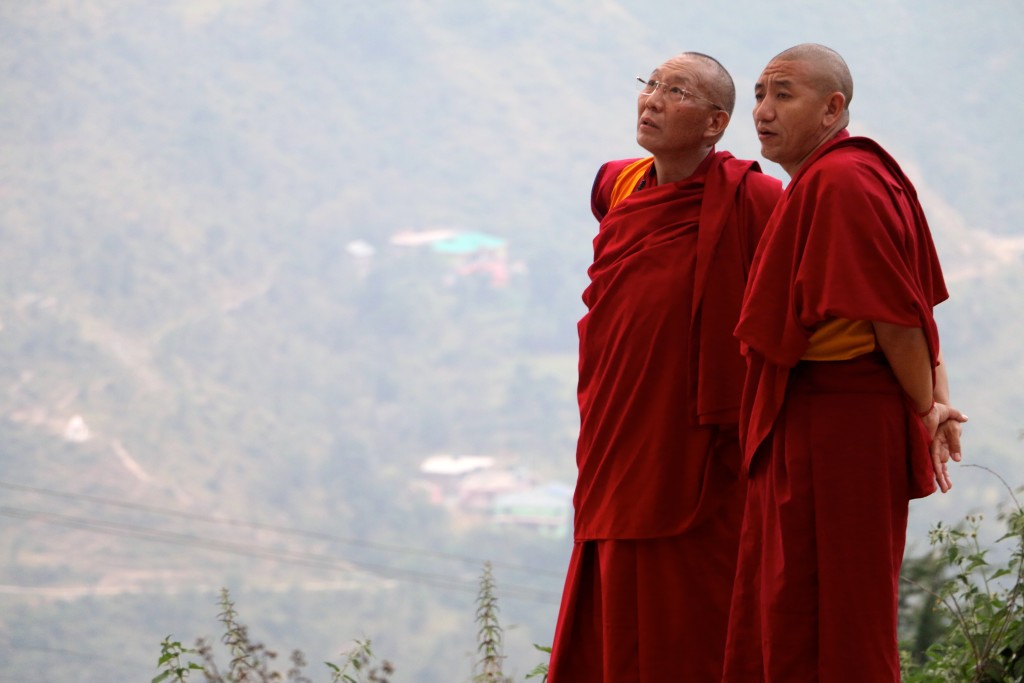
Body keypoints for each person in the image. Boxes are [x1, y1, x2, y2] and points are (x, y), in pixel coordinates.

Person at [722, 43, 968, 682]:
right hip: (823, 418)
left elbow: (896, 319)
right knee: (798, 602)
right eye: (759, 94)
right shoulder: (844, 177)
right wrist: (935, 397)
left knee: (840, 609)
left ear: (833, 108)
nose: (763, 111)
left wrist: (925, 408)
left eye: (783, 95)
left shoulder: (841, 181)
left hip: (840, 426)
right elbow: (916, 309)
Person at [546, 52, 782, 682]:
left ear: (714, 123)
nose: (651, 99)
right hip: (617, 422)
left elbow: (801, 295)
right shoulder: (619, 185)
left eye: (675, 91)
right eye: (649, 84)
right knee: (613, 561)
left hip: (701, 442)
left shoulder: (754, 198)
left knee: (694, 606)